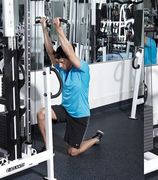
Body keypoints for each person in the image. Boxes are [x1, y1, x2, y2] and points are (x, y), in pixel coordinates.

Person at [37, 17, 104, 156]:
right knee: (41, 114)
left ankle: (95, 139)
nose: (59, 65)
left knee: (72, 152)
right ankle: (48, 149)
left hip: (80, 115)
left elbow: (69, 51)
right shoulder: (63, 69)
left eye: (62, 62)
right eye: (59, 62)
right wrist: (44, 28)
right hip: (65, 109)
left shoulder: (82, 69)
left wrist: (58, 29)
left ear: (70, 59)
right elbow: (50, 51)